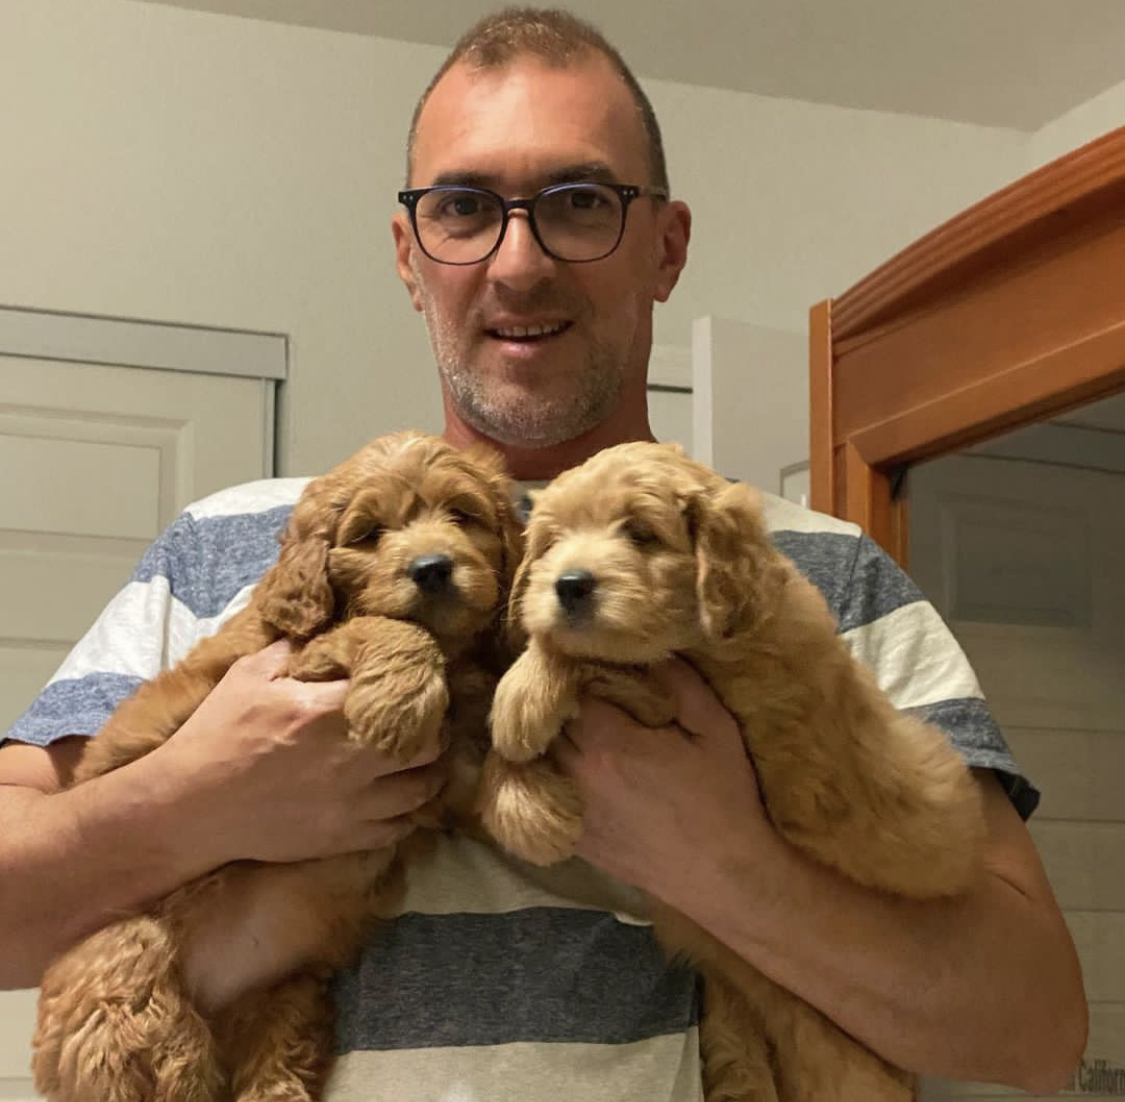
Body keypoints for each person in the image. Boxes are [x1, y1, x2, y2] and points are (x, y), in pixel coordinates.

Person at [0, 7, 1086, 1100]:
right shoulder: (228, 547)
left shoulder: (817, 578)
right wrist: (197, 801)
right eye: (464, 207)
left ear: (666, 247)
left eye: (578, 202)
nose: (517, 264)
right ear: (409, 254)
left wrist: (723, 864)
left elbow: (1035, 1031)